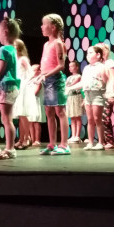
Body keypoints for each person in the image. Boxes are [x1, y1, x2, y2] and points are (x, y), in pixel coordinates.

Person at [36, 14, 70, 155]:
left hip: (55, 80)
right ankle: (52, 144)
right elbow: (46, 64)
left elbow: (61, 65)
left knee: (60, 111)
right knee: (49, 112)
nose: (42, 27)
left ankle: (64, 145)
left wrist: (45, 75)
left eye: (44, 24)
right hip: (47, 80)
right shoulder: (46, 44)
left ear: (53, 27)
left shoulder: (58, 43)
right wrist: (41, 75)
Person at [0, 16, 21, 159]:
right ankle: (10, 148)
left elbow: (0, 69)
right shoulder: (12, 49)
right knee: (8, 119)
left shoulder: (3, 49)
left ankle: (9, 149)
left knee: (6, 120)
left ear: (6, 32)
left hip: (6, 86)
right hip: (12, 86)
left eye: (0, 33)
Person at [69, 45, 106, 150]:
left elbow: (106, 80)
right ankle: (90, 142)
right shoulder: (86, 68)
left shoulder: (102, 67)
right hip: (87, 94)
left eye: (90, 53)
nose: (88, 55)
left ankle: (100, 142)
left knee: (97, 119)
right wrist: (70, 88)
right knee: (90, 119)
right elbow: (83, 82)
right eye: (87, 53)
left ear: (98, 55)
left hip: (97, 94)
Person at [13, 39, 40, 149]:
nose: (13, 47)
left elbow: (30, 72)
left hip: (23, 87)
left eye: (15, 45)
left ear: (19, 47)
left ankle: (27, 138)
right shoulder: (15, 59)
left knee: (23, 113)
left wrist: (25, 82)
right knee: (20, 115)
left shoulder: (23, 59)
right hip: (17, 87)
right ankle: (21, 139)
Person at [99, 43, 114, 149]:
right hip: (99, 93)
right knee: (99, 118)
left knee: (105, 118)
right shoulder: (99, 64)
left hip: (108, 93)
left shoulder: (109, 63)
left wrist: (110, 94)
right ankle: (102, 141)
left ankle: (110, 141)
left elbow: (112, 78)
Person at [64, 60, 83, 143]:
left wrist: (67, 86)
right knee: (72, 117)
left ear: (77, 67)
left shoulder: (79, 76)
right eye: (69, 66)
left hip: (76, 97)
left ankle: (77, 136)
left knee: (77, 116)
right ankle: (73, 135)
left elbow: (72, 85)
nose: (70, 68)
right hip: (70, 97)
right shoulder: (69, 78)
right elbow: (65, 85)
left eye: (72, 66)